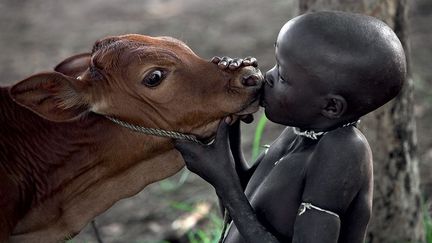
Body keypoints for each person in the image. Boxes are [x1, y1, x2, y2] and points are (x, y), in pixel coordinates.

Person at [174, 10, 406, 243]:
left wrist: (225, 183)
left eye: (283, 77)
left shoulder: (343, 152)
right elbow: (244, 211)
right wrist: (229, 120)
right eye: (276, 64)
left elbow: (237, 202)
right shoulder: (301, 131)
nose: (269, 76)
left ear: (331, 107)